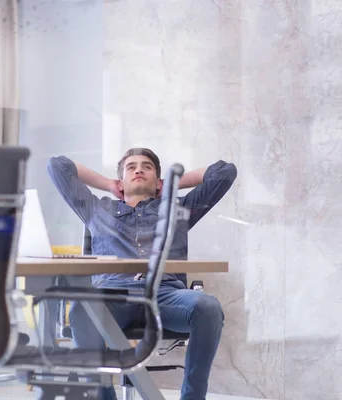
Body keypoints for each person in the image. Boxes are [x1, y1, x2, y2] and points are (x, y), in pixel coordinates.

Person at [46, 148, 237, 400]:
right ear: (121, 180)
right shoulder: (96, 209)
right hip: (113, 296)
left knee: (208, 307)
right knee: (82, 309)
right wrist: (108, 184)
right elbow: (57, 165)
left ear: (157, 180)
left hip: (165, 295)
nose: (138, 170)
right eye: (131, 167)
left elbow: (224, 172)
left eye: (147, 167)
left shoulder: (177, 210)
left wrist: (170, 185)